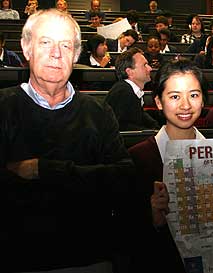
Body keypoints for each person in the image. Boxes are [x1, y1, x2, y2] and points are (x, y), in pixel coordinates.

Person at [0, 9, 144, 273]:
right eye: (46, 42)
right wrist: (85, 179)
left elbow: (124, 179)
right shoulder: (3, 107)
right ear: (26, 48)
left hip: (90, 258)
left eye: (65, 45)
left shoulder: (99, 113)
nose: (56, 53)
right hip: (16, 258)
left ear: (76, 55)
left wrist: (42, 170)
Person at [128, 58, 207, 273]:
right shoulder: (138, 158)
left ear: (203, 100)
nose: (185, 105)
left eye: (194, 95)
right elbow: (127, 239)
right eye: (174, 96)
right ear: (159, 102)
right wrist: (154, 219)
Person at [105, 47, 159, 131]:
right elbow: (123, 128)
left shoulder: (128, 89)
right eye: (144, 65)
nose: (150, 68)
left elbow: (141, 116)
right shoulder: (123, 92)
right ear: (130, 72)